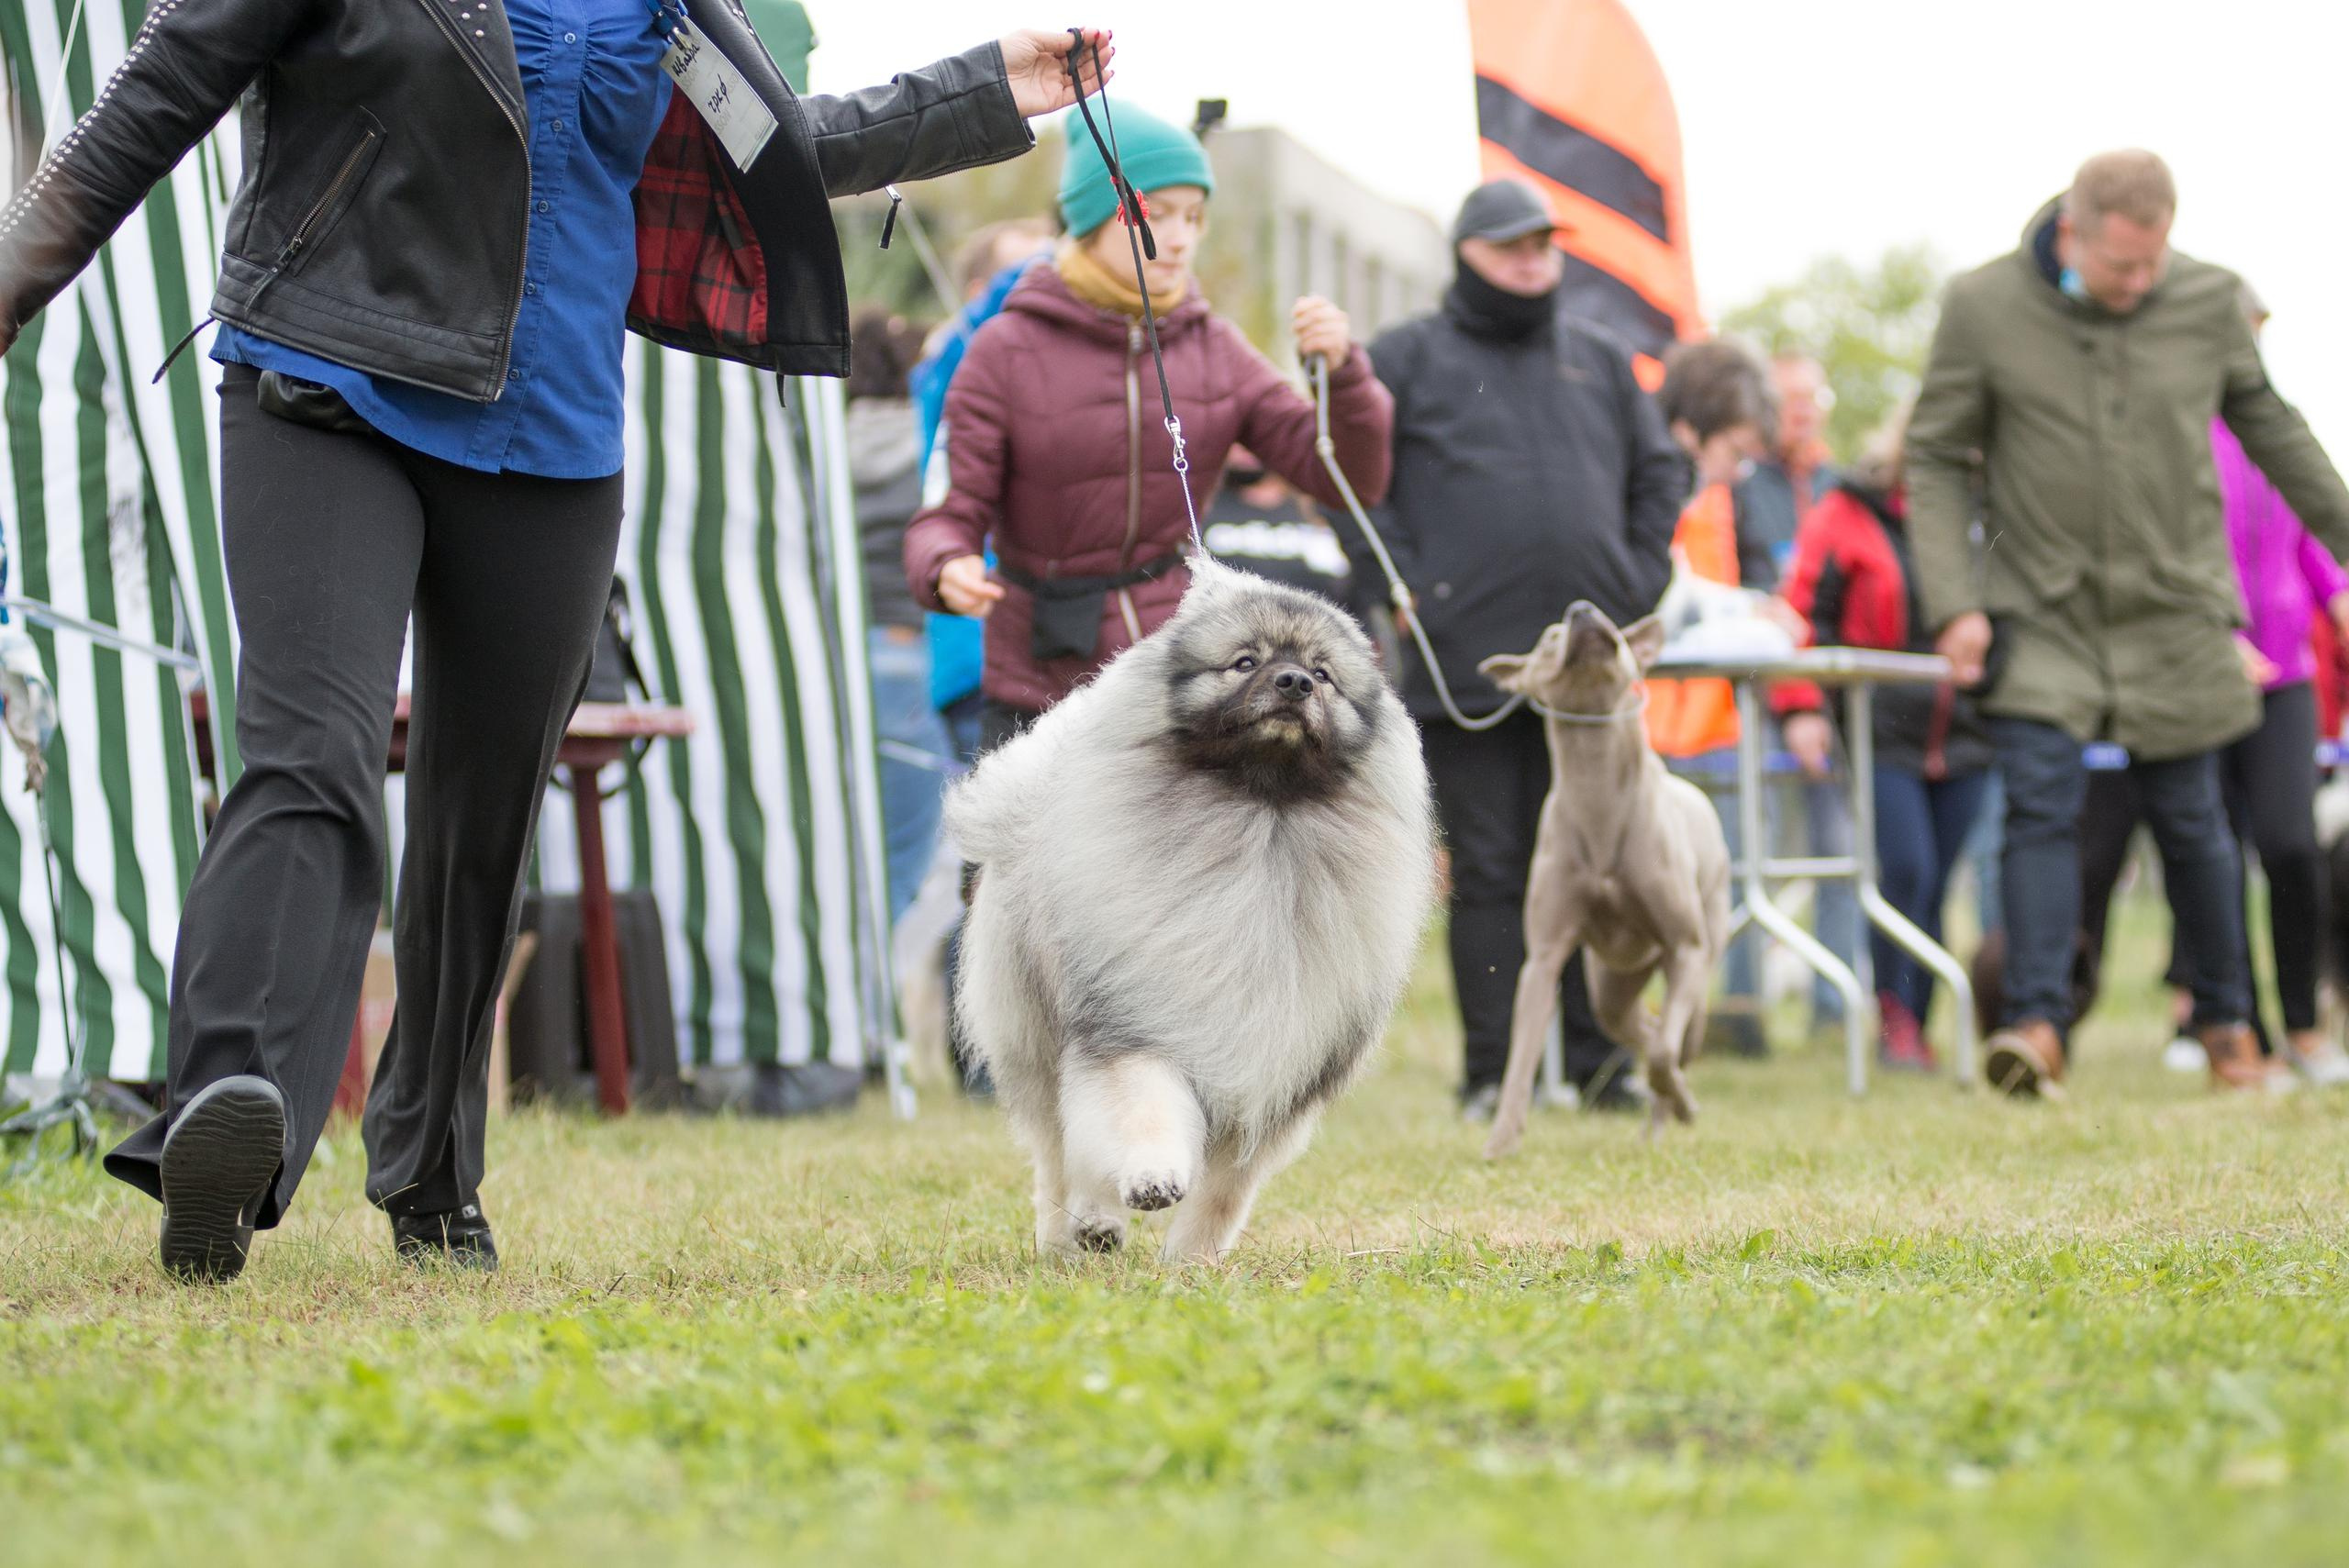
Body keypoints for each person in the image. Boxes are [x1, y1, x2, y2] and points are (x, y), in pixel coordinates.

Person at [0, 0, 1111, 1281]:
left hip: (552, 440)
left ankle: (430, 1171)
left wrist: (980, 90)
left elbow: (772, 140)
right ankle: (226, 1109)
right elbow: (148, 101)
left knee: (484, 823)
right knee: (314, 753)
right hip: (327, 381)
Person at [1909, 149, 2349, 1097]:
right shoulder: (1984, 306)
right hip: (2043, 607)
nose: (2140, 282)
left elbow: (2276, 432)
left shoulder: (2206, 301)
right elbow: (1936, 454)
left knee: (2194, 819)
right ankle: (2036, 1023)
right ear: (2071, 232)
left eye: (2155, 262)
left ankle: (2229, 1026)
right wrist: (1956, 602)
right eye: (2121, 265)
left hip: (2173, 609)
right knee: (2040, 811)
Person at [1352, 178, 1684, 1118]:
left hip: (1589, 673)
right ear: (1465, 253)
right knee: (1493, 868)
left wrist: (1633, 580)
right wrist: (1404, 586)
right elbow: (1350, 484)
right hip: (1467, 662)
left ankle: (1604, 1064)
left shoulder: (1601, 358)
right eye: (1510, 244)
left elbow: (1661, 474)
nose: (1533, 260)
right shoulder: (1404, 357)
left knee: (1600, 864)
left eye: (1543, 243)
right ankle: (1496, 1074)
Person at [904, 106, 1391, 743]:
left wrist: (1345, 374)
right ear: (1091, 217)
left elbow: (1347, 479)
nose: (1181, 238)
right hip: (1036, 693)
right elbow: (945, 512)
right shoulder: (1002, 349)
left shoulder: (1218, 348)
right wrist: (947, 563)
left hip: (1172, 690)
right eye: (1155, 214)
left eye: (1194, 217)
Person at [1773, 407, 1994, 1070]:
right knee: (1905, 869)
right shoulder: (1846, 512)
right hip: (1881, 733)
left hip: (1967, 735)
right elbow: (1802, 613)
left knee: (1937, 883)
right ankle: (1893, 1014)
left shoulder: (1983, 517)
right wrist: (1800, 707)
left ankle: (1915, 1022)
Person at [1647, 338, 1788, 1059]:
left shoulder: (1698, 489)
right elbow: (1659, 594)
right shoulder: (1649, 478)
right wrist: (1745, 610)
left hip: (1704, 719)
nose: (1739, 471)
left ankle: (1704, 1016)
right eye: (1735, 450)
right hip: (1635, 723)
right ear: (1690, 428)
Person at [1736, 354, 1860, 1035]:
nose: (1802, 412)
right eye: (1789, 400)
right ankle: (1741, 1008)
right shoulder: (1740, 486)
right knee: (1744, 847)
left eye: (1813, 398)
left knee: (1839, 847)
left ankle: (1833, 1009)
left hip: (1830, 695)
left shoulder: (1840, 485)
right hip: (1750, 695)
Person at [913, 219, 1054, 762]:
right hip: (981, 663)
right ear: (979, 294)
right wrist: (1070, 246)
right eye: (1025, 271)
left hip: (1046, 655)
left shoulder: (1042, 371)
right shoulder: (956, 359)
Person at [849, 310, 952, 925]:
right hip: (910, 653)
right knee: (902, 867)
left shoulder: (822, 446)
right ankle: (868, 983)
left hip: (840, 661)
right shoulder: (929, 444)